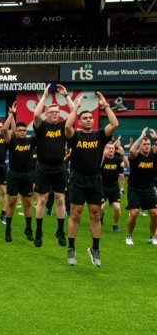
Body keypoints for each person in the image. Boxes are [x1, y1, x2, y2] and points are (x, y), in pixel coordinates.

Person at [64, 92, 117, 267]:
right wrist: (76, 107)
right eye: (84, 118)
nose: (88, 120)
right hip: (78, 179)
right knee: (76, 214)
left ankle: (95, 249)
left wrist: (105, 105)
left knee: (96, 214)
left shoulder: (100, 135)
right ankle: (71, 249)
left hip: (95, 180)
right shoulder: (76, 136)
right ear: (80, 122)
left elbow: (114, 123)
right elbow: (67, 127)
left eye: (90, 118)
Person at [32, 84, 75, 247]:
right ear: (47, 114)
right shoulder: (41, 126)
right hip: (43, 168)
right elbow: (36, 115)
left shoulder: (63, 127)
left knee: (60, 199)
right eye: (52, 112)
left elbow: (73, 113)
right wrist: (44, 96)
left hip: (59, 168)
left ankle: (60, 231)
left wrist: (66, 96)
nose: (56, 114)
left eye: (57, 112)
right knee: (42, 200)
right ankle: (38, 231)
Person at [2, 102, 36, 242]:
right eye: (19, 130)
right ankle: (8, 229)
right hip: (13, 174)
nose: (22, 132)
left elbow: (39, 130)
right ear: (16, 132)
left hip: (27, 174)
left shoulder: (31, 141)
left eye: (24, 130)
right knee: (11, 201)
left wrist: (37, 114)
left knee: (28, 202)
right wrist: (11, 114)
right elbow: (5, 129)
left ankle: (28, 229)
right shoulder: (12, 142)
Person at [124, 127, 157, 246]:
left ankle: (152, 237)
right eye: (144, 144)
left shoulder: (153, 156)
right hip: (134, 189)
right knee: (134, 213)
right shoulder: (135, 156)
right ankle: (129, 236)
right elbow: (132, 150)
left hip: (148, 189)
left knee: (155, 214)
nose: (147, 146)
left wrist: (156, 138)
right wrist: (141, 137)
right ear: (140, 146)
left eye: (148, 144)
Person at [100, 138, 128, 232]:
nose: (111, 150)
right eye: (109, 148)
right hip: (102, 187)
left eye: (112, 148)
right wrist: (103, 155)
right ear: (105, 150)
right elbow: (98, 166)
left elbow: (127, 166)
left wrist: (123, 155)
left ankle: (115, 225)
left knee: (117, 207)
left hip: (114, 187)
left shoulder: (117, 159)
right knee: (102, 206)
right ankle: (99, 220)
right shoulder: (101, 159)